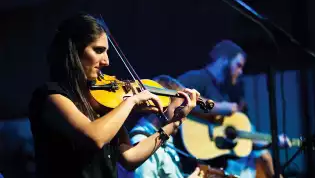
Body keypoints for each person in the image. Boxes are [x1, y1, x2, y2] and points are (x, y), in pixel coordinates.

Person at [28, 13, 200, 178]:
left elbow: (130, 158)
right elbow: (95, 137)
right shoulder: (51, 96)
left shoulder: (99, 100)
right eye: (98, 50)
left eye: (107, 52)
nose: (106, 61)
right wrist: (131, 101)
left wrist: (173, 123)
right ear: (74, 50)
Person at [177, 40, 288, 178]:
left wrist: (272, 141)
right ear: (224, 60)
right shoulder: (197, 78)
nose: (240, 72)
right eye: (238, 65)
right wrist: (218, 108)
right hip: (187, 165)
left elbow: (243, 135)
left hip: (212, 169)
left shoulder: (226, 93)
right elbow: (176, 97)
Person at [122, 75, 202, 178]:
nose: (183, 117)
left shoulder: (167, 139)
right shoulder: (140, 141)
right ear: (162, 106)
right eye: (178, 110)